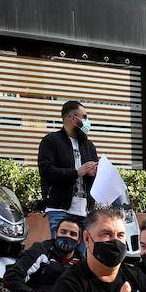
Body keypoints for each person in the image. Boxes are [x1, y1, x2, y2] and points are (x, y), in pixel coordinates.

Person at [38, 100, 98, 239]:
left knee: (82, 259)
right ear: (72, 118)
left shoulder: (89, 146)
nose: (87, 121)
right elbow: (47, 172)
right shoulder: (51, 141)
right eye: (84, 117)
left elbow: (93, 181)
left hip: (85, 213)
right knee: (60, 256)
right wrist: (76, 173)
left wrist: (93, 173)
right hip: (59, 210)